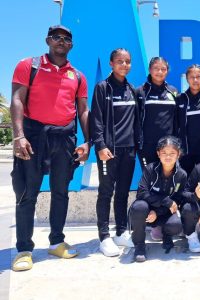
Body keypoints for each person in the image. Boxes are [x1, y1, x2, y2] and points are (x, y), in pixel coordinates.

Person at [10, 25, 90, 271]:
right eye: (57, 37)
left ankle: (57, 242)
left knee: (60, 192)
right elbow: (16, 100)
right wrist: (18, 136)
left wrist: (87, 141)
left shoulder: (77, 75)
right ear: (48, 40)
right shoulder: (29, 65)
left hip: (64, 138)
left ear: (71, 45)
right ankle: (24, 248)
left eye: (66, 39)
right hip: (34, 137)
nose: (61, 42)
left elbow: (83, 110)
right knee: (27, 194)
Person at [90, 48, 140, 257]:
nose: (124, 65)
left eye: (127, 61)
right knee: (105, 192)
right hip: (108, 151)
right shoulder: (103, 88)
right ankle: (104, 236)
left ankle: (120, 231)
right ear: (111, 63)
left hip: (128, 151)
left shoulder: (132, 90)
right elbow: (96, 120)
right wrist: (100, 146)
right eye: (119, 61)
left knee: (122, 193)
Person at [129, 136, 187, 262]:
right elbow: (141, 192)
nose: (168, 156)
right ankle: (139, 245)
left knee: (176, 224)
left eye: (172, 153)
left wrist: (157, 212)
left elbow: (177, 201)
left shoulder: (181, 175)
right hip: (146, 211)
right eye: (164, 153)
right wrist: (165, 200)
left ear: (178, 155)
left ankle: (167, 236)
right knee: (139, 207)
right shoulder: (150, 169)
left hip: (163, 212)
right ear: (158, 154)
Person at [136, 57, 178, 167]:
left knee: (166, 179)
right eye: (156, 68)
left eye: (163, 69)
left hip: (168, 145)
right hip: (146, 145)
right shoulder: (140, 91)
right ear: (150, 70)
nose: (160, 72)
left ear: (167, 71)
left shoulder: (173, 91)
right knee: (149, 178)